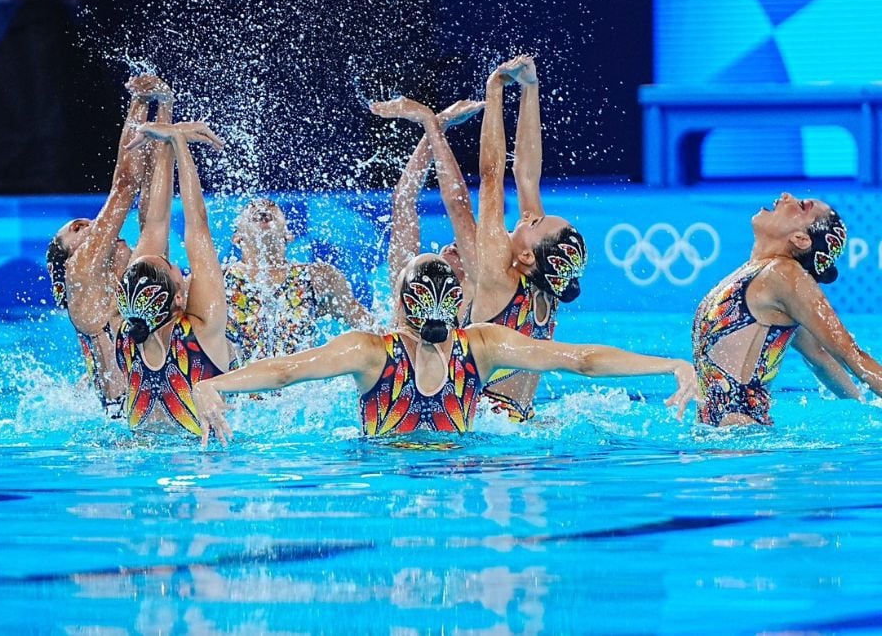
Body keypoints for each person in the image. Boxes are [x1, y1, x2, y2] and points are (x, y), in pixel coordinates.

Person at [192, 254, 698, 447]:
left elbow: (285, 373)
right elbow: (580, 359)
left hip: (383, 478)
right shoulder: (481, 344)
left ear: (400, 305)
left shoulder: (371, 352)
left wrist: (214, 381)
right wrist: (671, 364)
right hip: (469, 470)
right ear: (457, 304)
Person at [692, 193, 882, 426]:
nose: (786, 196)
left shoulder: (784, 274)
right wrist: (861, 405)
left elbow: (852, 355)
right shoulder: (759, 274)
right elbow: (819, 357)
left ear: (801, 239)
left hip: (741, 445)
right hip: (725, 440)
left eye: (803, 206)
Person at [46, 75, 171, 416]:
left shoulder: (132, 281)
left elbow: (154, 206)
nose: (94, 227)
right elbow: (125, 186)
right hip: (124, 424)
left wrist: (165, 115)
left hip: (166, 413)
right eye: (79, 229)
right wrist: (141, 100)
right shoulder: (81, 276)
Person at [472, 56, 587, 423]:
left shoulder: (498, 275)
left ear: (525, 255)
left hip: (481, 423)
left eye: (534, 221)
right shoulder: (548, 285)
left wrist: (494, 90)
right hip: (523, 419)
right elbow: (526, 175)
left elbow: (492, 178)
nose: (528, 214)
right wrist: (530, 88)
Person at [114, 119, 236, 437]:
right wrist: (180, 143)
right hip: (207, 469)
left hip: (138, 462)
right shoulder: (202, 331)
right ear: (179, 298)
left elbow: (154, 225)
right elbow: (197, 226)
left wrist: (164, 141)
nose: (180, 266)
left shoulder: (128, 335)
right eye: (176, 270)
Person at [372, 98, 484, 319]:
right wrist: (438, 122)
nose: (456, 244)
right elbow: (403, 200)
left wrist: (430, 122)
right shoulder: (409, 286)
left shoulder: (477, 299)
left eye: (468, 245)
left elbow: (458, 203)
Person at [224, 198, 374, 361]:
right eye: (251, 206)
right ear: (236, 237)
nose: (263, 207)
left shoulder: (320, 276)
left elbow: (368, 327)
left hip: (299, 383)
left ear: (288, 235)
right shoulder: (218, 280)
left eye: (272, 206)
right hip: (239, 382)